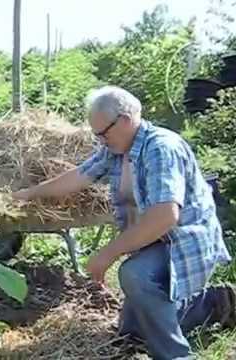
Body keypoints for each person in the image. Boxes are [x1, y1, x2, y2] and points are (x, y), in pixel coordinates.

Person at [12, 86, 234, 360]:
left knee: (134, 274)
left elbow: (165, 216)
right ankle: (212, 303)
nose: (100, 141)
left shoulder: (161, 148)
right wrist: (30, 194)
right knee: (134, 332)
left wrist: (106, 254)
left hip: (184, 240)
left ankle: (176, 355)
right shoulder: (118, 148)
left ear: (126, 120)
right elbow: (80, 176)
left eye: (102, 133)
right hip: (157, 240)